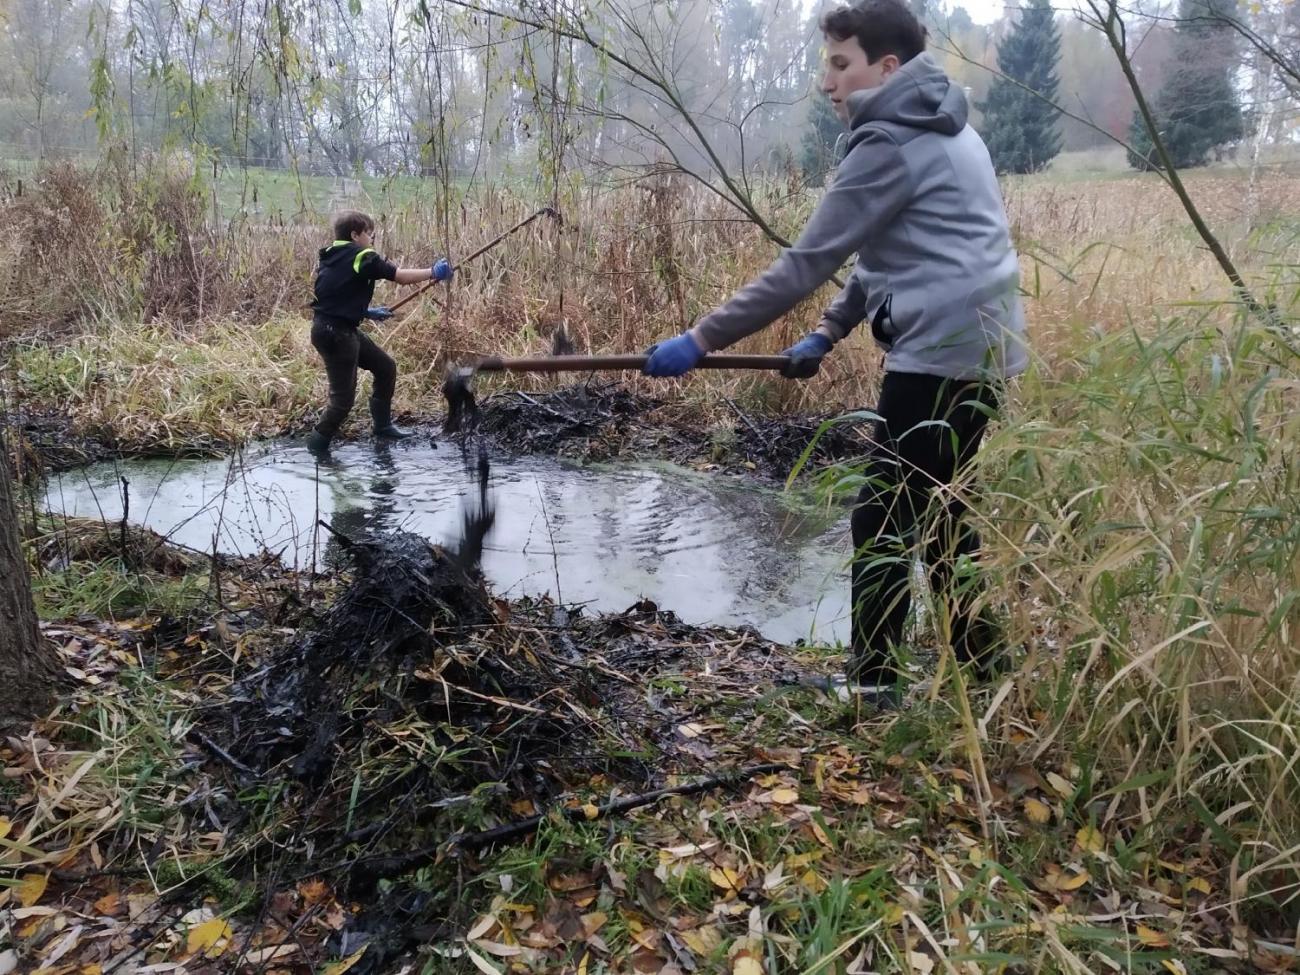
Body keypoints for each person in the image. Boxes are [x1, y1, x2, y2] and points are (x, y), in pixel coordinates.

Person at [641, 0, 1027, 706]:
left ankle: (875, 684)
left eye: (840, 64)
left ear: (887, 67)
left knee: (880, 518)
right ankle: (985, 665)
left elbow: (807, 261)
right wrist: (826, 332)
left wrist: (701, 339)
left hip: (939, 353)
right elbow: (889, 252)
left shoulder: (891, 143)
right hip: (985, 347)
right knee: (941, 517)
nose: (828, 82)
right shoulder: (944, 124)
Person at [305, 210, 454, 456]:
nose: (371, 239)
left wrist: (364, 311)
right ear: (355, 235)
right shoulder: (361, 255)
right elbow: (400, 277)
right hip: (337, 334)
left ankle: (382, 427)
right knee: (342, 401)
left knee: (385, 367)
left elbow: (334, 291)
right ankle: (317, 449)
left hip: (330, 327)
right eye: (369, 234)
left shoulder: (332, 254)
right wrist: (433, 272)